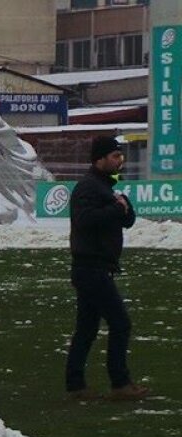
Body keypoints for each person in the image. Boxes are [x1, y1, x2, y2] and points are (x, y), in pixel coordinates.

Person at [65, 136, 148, 401]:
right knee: (120, 323)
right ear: (99, 158)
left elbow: (128, 221)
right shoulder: (88, 187)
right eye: (114, 156)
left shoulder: (107, 186)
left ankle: (75, 385)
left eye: (120, 156)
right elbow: (85, 220)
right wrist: (116, 208)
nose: (119, 160)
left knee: (87, 329)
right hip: (91, 267)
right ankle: (120, 383)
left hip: (97, 267)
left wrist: (123, 207)